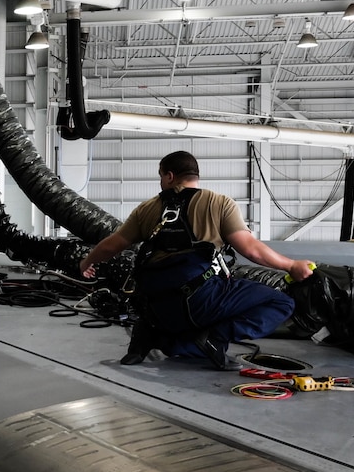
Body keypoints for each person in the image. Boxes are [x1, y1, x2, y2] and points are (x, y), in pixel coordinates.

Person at [80, 150, 313, 369]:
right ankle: (212, 339)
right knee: (282, 303)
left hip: (151, 305)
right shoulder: (218, 203)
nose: (161, 182)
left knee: (176, 303)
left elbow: (112, 244)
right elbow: (251, 249)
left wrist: (87, 261)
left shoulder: (146, 209)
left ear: (170, 176)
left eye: (161, 176)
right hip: (198, 301)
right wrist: (291, 266)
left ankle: (148, 335)